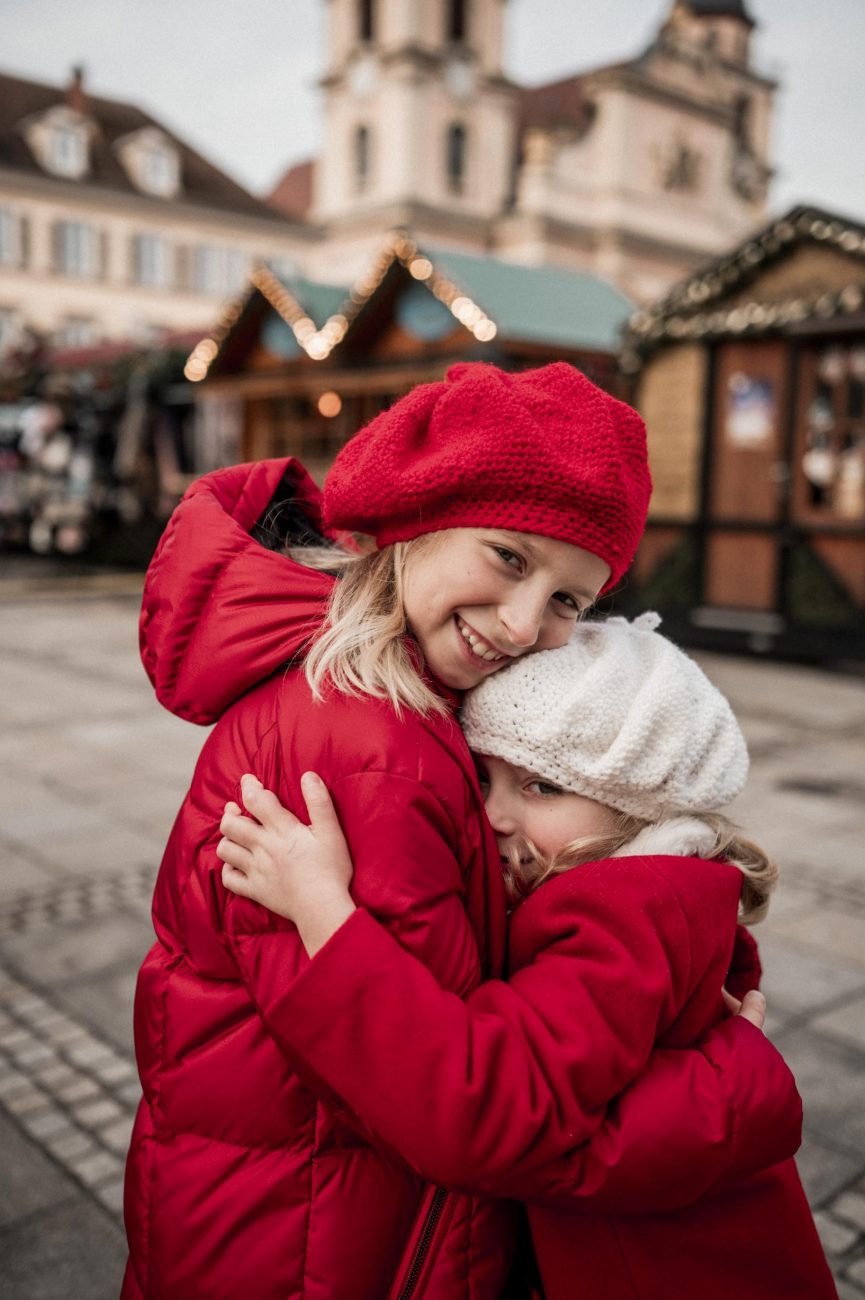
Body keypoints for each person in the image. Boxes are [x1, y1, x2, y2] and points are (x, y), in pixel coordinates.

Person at [124, 363, 799, 1300]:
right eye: (510, 557)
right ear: (415, 520)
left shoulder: (410, 706)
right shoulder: (373, 747)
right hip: (324, 1240)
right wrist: (725, 1084)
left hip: (297, 1216)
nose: (525, 625)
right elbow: (468, 1109)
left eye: (569, 599)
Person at [219, 612, 836, 1299]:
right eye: (484, 781)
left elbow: (482, 1110)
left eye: (542, 787)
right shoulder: (648, 891)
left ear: (643, 809)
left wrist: (324, 915)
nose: (494, 818)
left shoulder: (623, 914)